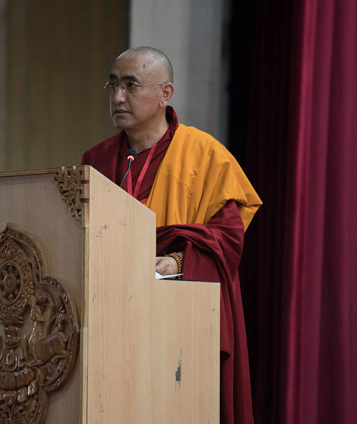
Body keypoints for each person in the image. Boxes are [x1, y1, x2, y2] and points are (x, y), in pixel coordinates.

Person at [82, 46, 261, 424]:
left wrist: (177, 261)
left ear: (166, 94)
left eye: (130, 86)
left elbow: (227, 240)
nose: (117, 97)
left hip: (177, 319)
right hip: (110, 319)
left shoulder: (205, 155)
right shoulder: (94, 162)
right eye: (112, 85)